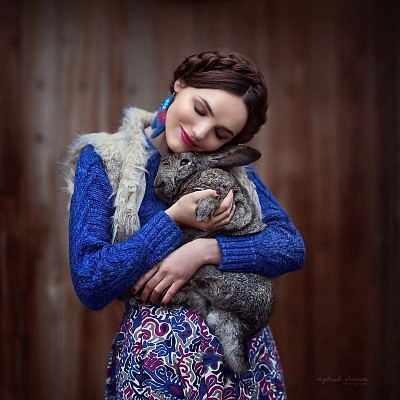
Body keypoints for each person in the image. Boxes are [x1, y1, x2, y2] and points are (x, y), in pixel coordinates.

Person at [64, 49, 305, 399]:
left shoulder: (229, 168)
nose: (201, 132)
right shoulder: (106, 159)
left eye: (221, 133)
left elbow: (290, 246)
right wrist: (172, 220)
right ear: (180, 83)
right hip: (158, 362)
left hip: (242, 362)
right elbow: (91, 280)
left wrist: (205, 250)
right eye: (200, 109)